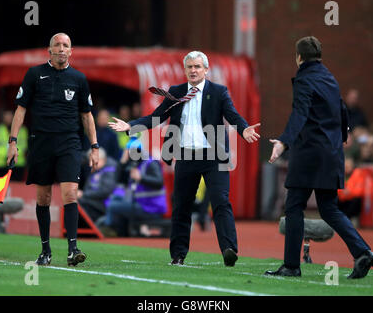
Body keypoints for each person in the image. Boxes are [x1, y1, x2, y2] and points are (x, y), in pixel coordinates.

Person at [109, 51, 260, 266]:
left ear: (206, 70)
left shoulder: (218, 92)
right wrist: (130, 126)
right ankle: (178, 255)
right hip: (185, 156)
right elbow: (157, 117)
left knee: (220, 202)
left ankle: (229, 249)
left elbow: (232, 114)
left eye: (197, 67)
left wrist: (243, 130)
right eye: (189, 67)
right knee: (181, 207)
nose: (193, 70)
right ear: (185, 70)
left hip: (213, 156)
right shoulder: (176, 92)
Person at [266, 36, 373, 279]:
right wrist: (342, 138)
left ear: (298, 57)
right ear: (320, 56)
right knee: (329, 208)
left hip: (309, 154)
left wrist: (284, 142)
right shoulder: (330, 78)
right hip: (332, 153)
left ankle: (291, 266)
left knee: (294, 206)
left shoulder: (305, 80)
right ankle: (362, 251)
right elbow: (342, 110)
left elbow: (300, 113)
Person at [7, 33, 99, 267]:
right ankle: (45, 250)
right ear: (49, 50)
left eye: (65, 45)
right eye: (56, 45)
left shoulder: (79, 79)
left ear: (71, 51)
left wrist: (95, 146)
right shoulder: (34, 74)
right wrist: (13, 142)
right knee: (44, 198)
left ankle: (72, 249)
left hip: (69, 143)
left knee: (70, 193)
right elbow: (20, 109)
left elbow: (87, 116)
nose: (61, 48)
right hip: (41, 142)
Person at [101, 137, 167, 237]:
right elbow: (117, 180)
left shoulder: (151, 163)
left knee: (113, 205)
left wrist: (141, 178)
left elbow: (159, 182)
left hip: (151, 207)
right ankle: (111, 226)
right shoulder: (135, 164)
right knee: (113, 198)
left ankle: (108, 227)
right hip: (139, 203)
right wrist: (122, 162)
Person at [78, 148, 117, 223]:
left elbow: (105, 191)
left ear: (101, 159)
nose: (90, 163)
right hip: (92, 202)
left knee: (78, 205)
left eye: (92, 160)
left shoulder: (110, 170)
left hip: (102, 206)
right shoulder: (97, 169)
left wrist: (83, 194)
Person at [0, 110, 28, 180]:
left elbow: (24, 146)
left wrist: (12, 155)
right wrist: (8, 155)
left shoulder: (23, 129)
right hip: (1, 163)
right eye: (6, 117)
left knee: (17, 186)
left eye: (10, 117)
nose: (8, 119)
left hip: (18, 163)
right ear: (3, 118)